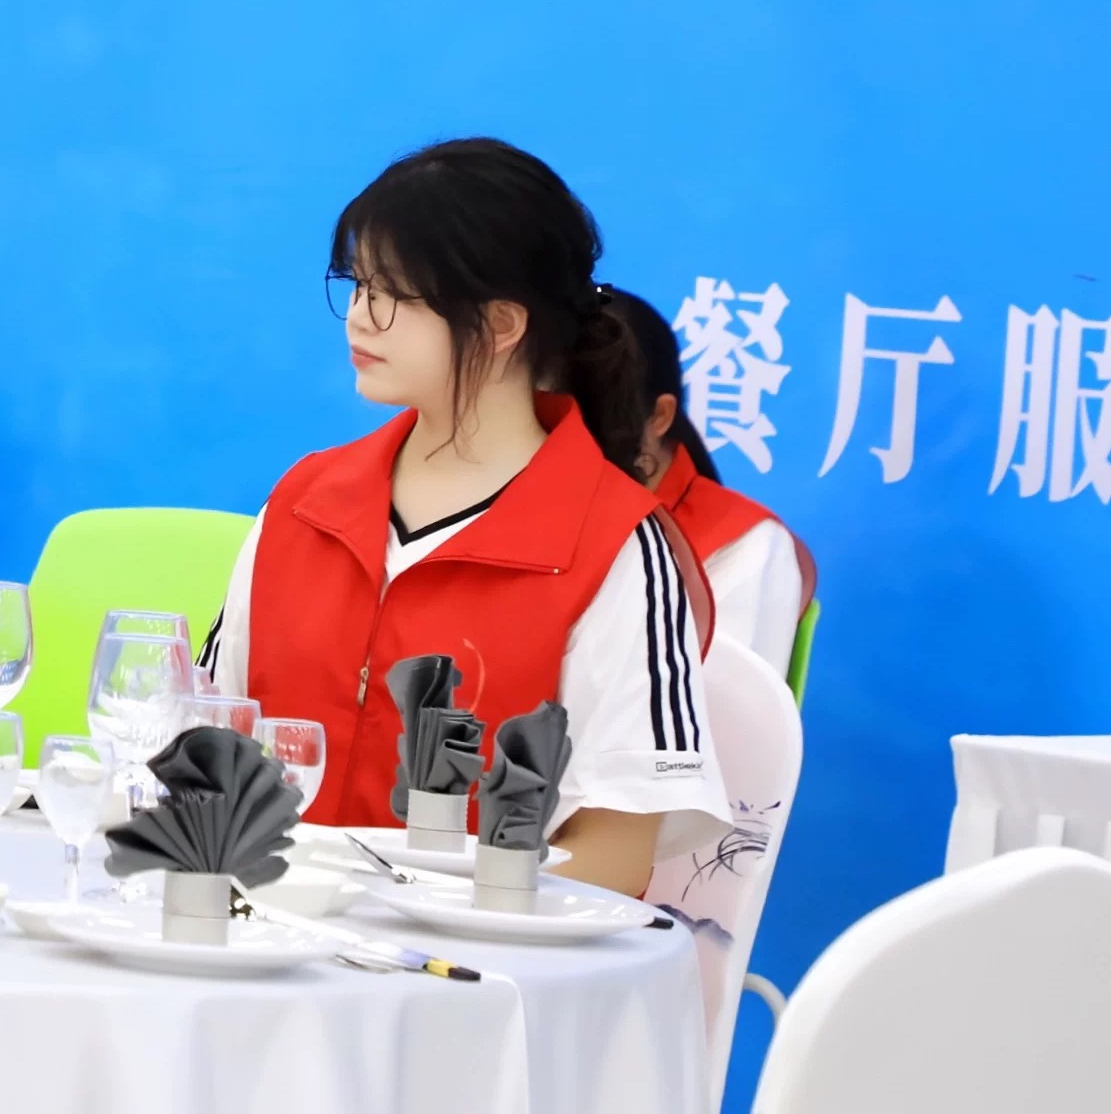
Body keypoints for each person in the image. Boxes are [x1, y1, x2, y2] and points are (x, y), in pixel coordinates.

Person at [197, 138, 724, 896]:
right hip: (263, 934)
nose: (359, 317)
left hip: (473, 957)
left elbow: (616, 853)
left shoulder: (614, 544)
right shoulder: (304, 501)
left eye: (393, 294)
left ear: (502, 323)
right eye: (356, 284)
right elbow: (209, 733)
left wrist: (417, 914)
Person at [607, 286, 817, 677]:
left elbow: (703, 710)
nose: (560, 437)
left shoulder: (744, 547)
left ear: (660, 416)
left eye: (587, 415)